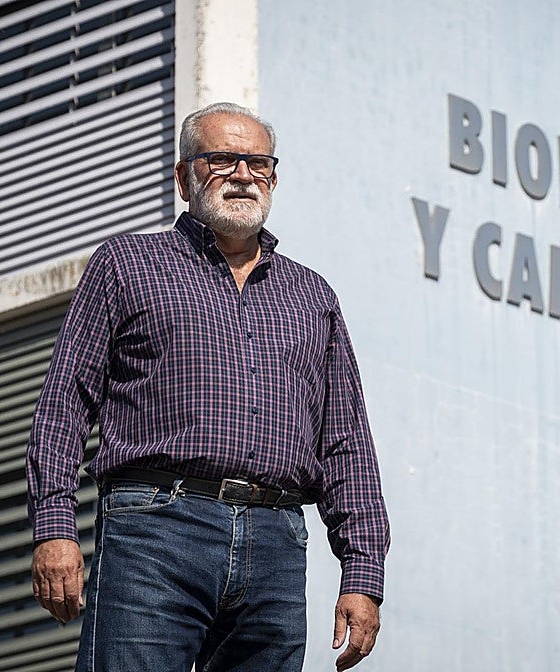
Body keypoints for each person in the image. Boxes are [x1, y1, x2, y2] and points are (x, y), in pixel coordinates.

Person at [25, 101, 390, 672]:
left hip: (277, 543)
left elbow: (346, 443)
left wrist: (364, 574)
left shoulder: (313, 296)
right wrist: (53, 528)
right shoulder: (127, 265)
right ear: (182, 177)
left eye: (258, 164)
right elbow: (63, 406)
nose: (243, 176)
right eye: (222, 160)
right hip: (156, 530)